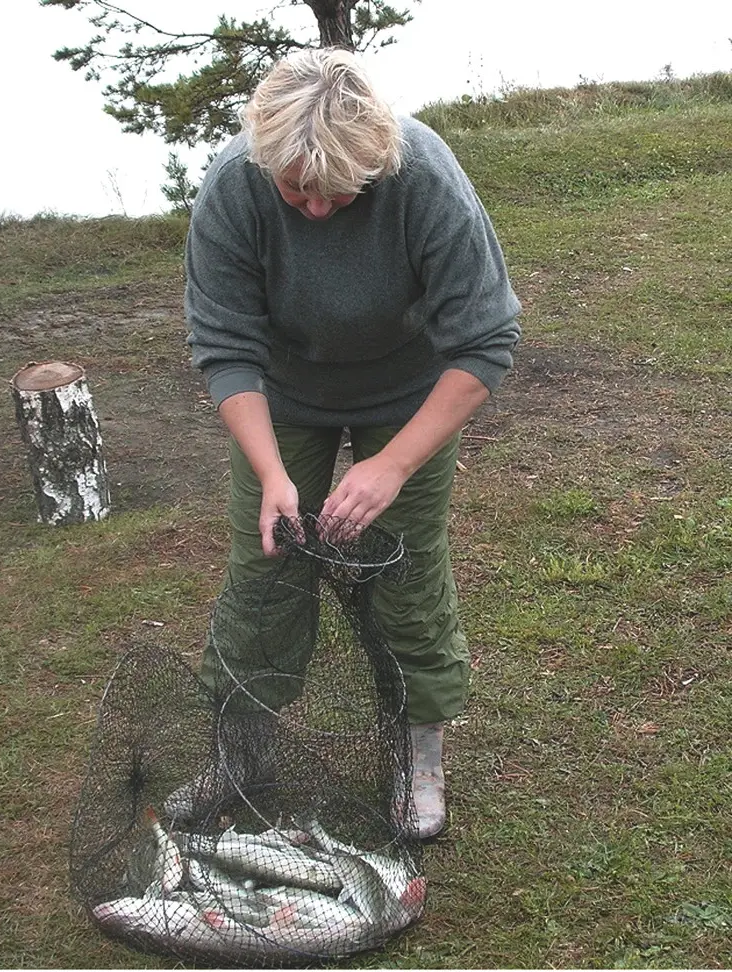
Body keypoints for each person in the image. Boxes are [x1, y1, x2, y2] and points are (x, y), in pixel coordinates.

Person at [184, 47, 521, 840]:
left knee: (403, 567)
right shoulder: (234, 186)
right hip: (288, 394)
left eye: (336, 191)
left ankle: (418, 752)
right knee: (265, 563)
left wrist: (392, 464)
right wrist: (272, 474)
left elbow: (486, 341)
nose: (315, 210)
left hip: (409, 392)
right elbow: (225, 347)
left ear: (374, 160)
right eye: (295, 190)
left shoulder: (425, 178)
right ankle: (242, 746)